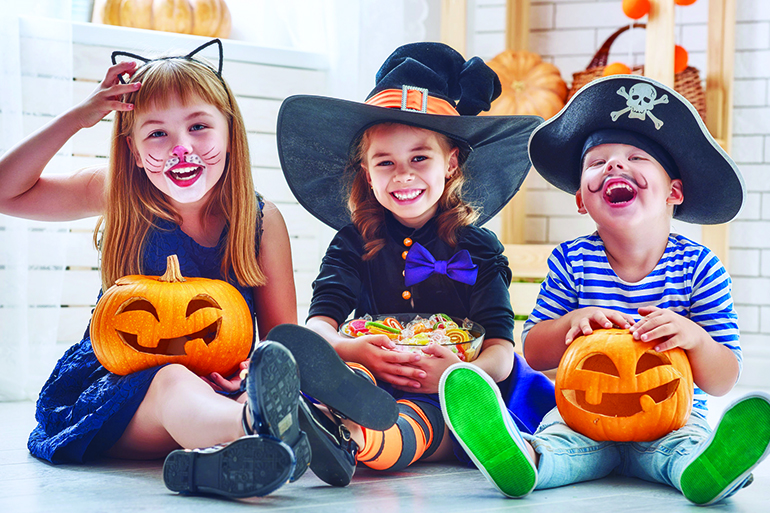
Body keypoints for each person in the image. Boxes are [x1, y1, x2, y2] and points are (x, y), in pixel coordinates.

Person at [0, 39, 314, 499]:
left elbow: (283, 341)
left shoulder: (259, 221)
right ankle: (260, 429)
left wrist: (251, 379)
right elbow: (7, 191)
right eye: (157, 134)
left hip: (220, 392)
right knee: (173, 380)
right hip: (121, 399)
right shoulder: (119, 194)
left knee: (259, 393)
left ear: (230, 131)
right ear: (132, 148)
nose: (181, 149)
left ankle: (219, 460)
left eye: (199, 127)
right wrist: (79, 117)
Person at [439, 74, 770, 505]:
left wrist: (694, 337)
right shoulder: (572, 261)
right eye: (597, 162)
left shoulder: (701, 268)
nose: (614, 166)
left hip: (672, 421)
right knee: (559, 442)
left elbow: (724, 379)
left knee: (680, 451)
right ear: (581, 198)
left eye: (636, 157)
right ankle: (522, 459)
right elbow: (535, 352)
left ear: (674, 191)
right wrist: (572, 323)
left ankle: (708, 469)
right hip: (583, 419)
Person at [274, 42, 556, 487]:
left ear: (451, 163)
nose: (402, 175)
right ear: (367, 173)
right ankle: (311, 422)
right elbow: (320, 328)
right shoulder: (352, 243)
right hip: (370, 372)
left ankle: (356, 440)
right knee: (346, 376)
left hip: (455, 386)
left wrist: (457, 374)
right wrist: (351, 348)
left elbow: (502, 353)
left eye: (419, 158)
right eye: (385, 162)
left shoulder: (479, 249)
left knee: (424, 413)